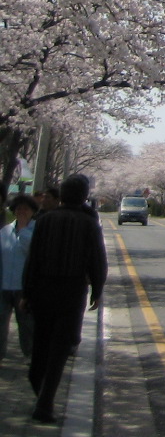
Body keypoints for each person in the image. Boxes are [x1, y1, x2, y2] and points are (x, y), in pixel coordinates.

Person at [22, 174, 105, 423]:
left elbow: (32, 259)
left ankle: (39, 391)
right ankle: (45, 404)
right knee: (59, 350)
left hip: (42, 289)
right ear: (83, 196)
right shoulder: (89, 223)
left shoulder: (46, 220)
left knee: (41, 344)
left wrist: (26, 292)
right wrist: (97, 289)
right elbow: (98, 260)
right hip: (71, 291)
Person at [0, 194, 37, 367]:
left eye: (26, 209)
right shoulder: (5, 231)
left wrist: (23, 229)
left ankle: (29, 355)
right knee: (1, 322)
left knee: (26, 324)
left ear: (32, 212)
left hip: (24, 287)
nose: (21, 212)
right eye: (18, 209)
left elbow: (30, 251)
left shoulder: (36, 229)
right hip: (4, 285)